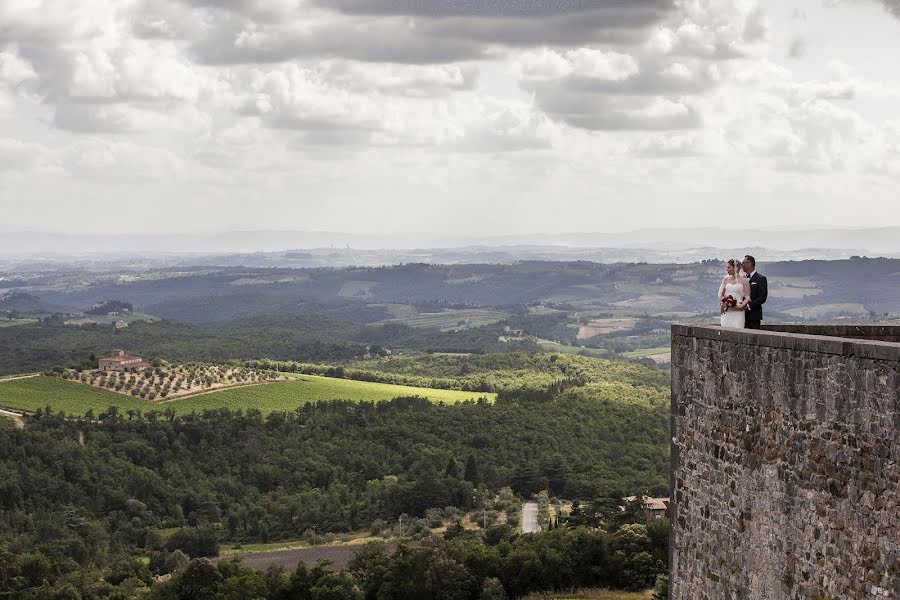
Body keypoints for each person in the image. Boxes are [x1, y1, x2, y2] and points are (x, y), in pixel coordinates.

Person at [719, 259, 750, 329]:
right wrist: (724, 302)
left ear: (735, 268)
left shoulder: (744, 281)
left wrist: (741, 306)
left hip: (738, 311)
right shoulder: (726, 279)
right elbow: (721, 295)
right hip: (727, 311)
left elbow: (747, 297)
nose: (727, 269)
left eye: (729, 267)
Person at [741, 255, 767, 330]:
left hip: (754, 316)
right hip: (742, 315)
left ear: (749, 263)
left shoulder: (761, 278)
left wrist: (748, 306)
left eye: (743, 263)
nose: (742, 265)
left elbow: (762, 297)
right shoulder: (742, 278)